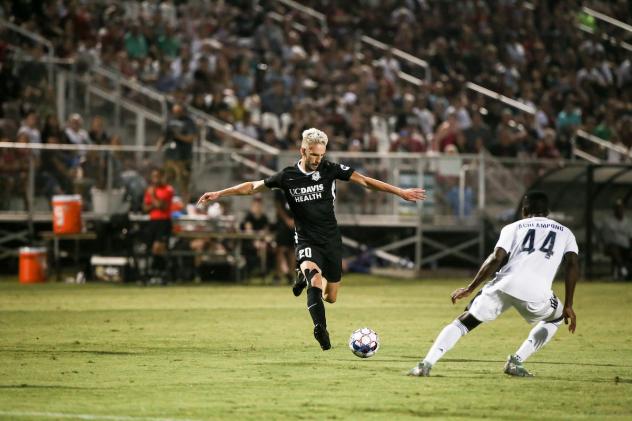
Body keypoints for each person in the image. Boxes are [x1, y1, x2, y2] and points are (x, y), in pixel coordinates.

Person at [198, 128, 425, 350]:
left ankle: (302, 276)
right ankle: (320, 328)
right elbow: (251, 187)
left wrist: (400, 192)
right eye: (314, 154)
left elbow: (365, 181)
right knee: (315, 280)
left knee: (331, 297)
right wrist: (220, 193)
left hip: (331, 240)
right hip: (306, 240)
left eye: (321, 155)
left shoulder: (330, 169)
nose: (317, 159)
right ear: (303, 151)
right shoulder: (287, 176)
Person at [408, 191, 579, 377]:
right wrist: (569, 304)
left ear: (524, 210)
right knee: (556, 317)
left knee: (465, 322)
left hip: (504, 284)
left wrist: (470, 288)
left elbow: (496, 258)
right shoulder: (566, 233)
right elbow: (572, 264)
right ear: (547, 211)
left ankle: (426, 364)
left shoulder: (513, 227)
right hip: (537, 293)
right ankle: (516, 362)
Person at [159, 103, 197, 203]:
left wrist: (178, 136)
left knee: (184, 182)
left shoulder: (189, 122)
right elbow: (165, 135)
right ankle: (165, 202)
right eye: (175, 111)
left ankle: (184, 204)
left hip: (183, 157)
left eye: (178, 111)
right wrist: (160, 143)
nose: (176, 113)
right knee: (167, 180)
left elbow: (190, 138)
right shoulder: (170, 121)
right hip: (170, 156)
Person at [143, 167, 174, 284]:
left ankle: (161, 273)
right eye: (153, 176)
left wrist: (153, 198)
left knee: (158, 248)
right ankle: (155, 274)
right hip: (153, 222)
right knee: (151, 249)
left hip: (163, 222)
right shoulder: (149, 190)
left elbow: (163, 206)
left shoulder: (167, 190)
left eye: (157, 176)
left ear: (162, 177)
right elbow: (145, 208)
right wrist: (155, 203)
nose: (155, 179)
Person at [599, 199, 632, 280]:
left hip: (626, 247)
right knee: (614, 249)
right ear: (614, 209)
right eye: (617, 208)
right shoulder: (608, 221)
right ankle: (623, 271)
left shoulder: (628, 221)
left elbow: (630, 237)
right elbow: (606, 238)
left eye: (621, 207)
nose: (619, 210)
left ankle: (627, 273)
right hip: (611, 247)